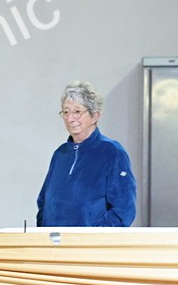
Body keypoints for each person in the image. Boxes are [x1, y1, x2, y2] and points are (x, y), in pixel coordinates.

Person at [36, 82, 136, 227]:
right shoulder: (60, 154)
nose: (70, 119)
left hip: (90, 241)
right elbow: (44, 202)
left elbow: (124, 210)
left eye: (77, 111)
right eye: (66, 112)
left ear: (95, 116)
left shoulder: (112, 152)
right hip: (54, 240)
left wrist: (93, 235)